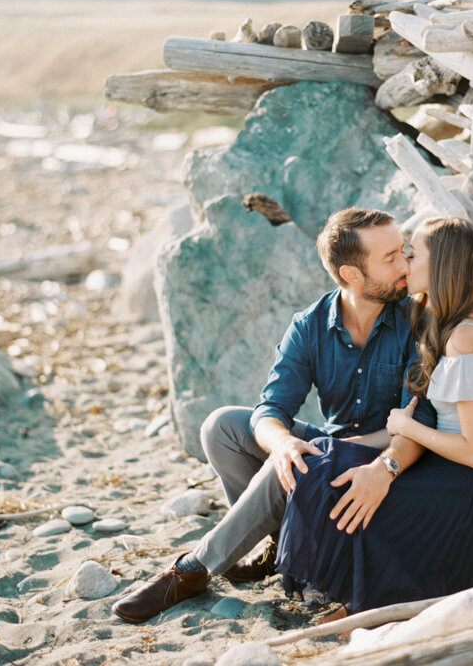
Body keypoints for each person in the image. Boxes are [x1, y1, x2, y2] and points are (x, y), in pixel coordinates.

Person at [112, 207, 437, 623]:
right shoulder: (310, 326)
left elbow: (420, 424)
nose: (404, 264)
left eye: (402, 251)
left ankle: (192, 569)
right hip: (328, 455)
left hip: (382, 469)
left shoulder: (417, 322)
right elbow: (270, 409)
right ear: (353, 275)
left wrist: (381, 464)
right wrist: (282, 443)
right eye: (389, 257)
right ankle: (279, 540)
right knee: (223, 427)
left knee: (310, 454)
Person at [276, 216, 473, 614]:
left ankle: (337, 588)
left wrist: (406, 427)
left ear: (441, 265)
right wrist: (347, 443)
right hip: (443, 477)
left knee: (326, 474)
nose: (405, 264)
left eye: (412, 253)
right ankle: (328, 586)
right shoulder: (450, 327)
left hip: (462, 493)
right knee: (326, 456)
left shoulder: (466, 337)